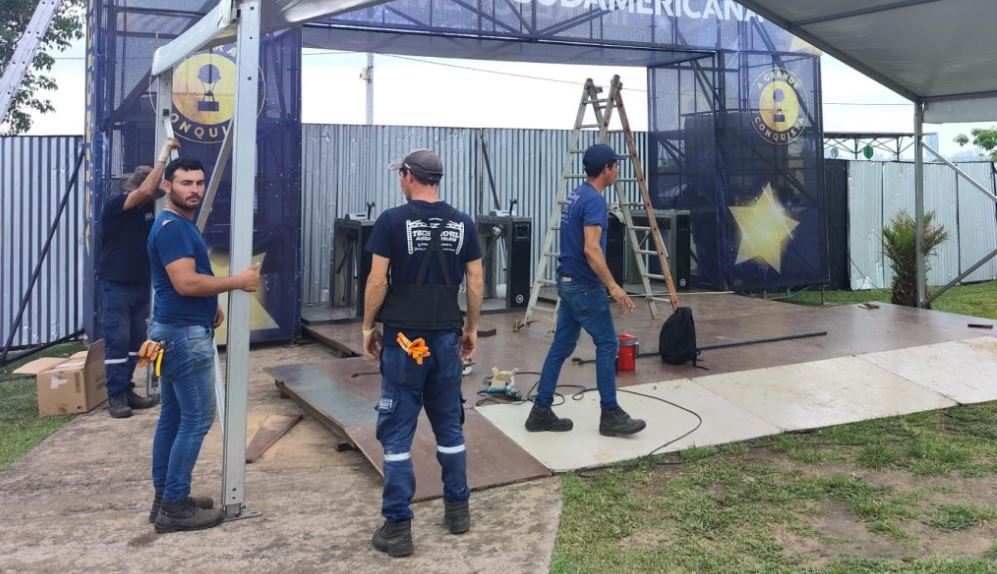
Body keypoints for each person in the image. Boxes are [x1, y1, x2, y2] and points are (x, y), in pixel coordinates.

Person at [361, 148, 484, 558]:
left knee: (397, 429)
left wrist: (366, 326)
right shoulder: (463, 223)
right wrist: (470, 328)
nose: (401, 180)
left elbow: (378, 281)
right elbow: (477, 281)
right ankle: (458, 510)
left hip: (403, 340)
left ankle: (397, 528)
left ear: (410, 176)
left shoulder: (392, 222)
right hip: (447, 336)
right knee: (449, 424)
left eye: (402, 175)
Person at [146, 156, 261, 533]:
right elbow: (186, 283)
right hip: (182, 337)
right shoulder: (174, 228)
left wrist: (208, 308)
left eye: (198, 183)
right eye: (185, 183)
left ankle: (165, 497)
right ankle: (174, 506)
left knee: (174, 418)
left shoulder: (173, 224)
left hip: (173, 329)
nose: (194, 190)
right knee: (195, 420)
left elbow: (182, 286)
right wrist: (236, 282)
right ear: (167, 186)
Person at [525, 143, 647, 437]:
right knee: (607, 344)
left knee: (562, 347)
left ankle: (540, 411)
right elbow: (591, 250)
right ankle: (610, 414)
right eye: (616, 165)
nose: (618, 170)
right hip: (584, 287)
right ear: (606, 168)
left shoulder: (575, 195)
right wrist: (613, 286)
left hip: (567, 283)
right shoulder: (594, 201)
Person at [98, 138, 180, 418]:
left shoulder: (147, 210)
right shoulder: (115, 205)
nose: (151, 195)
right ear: (134, 187)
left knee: (135, 341)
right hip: (115, 285)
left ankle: (128, 389)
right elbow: (147, 191)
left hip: (139, 284)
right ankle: (115, 396)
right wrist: (163, 157)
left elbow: (159, 196)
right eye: (148, 191)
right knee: (117, 341)